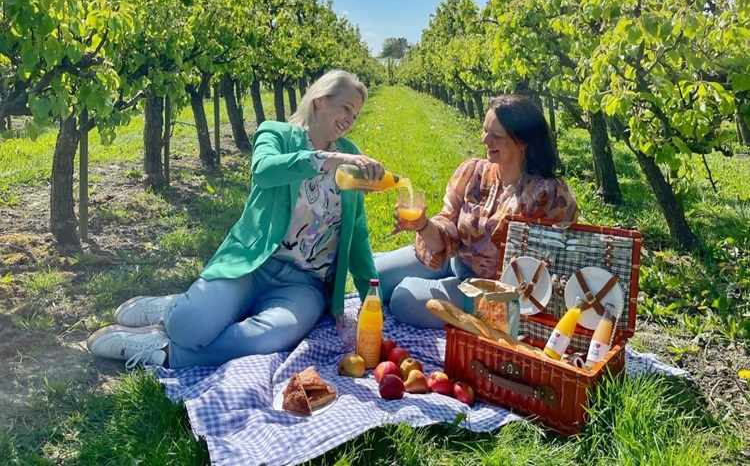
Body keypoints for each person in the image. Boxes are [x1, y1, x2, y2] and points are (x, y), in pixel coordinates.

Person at [87, 69, 384, 368]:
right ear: (320, 99)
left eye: (356, 115)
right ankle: (170, 311)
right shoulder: (277, 134)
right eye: (346, 108)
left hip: (306, 285)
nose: (350, 120)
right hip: (254, 262)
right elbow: (264, 170)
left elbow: (356, 235)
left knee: (270, 337)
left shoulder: (351, 155)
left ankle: (165, 352)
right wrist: (326, 160)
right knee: (186, 326)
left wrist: (375, 301)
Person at [376, 94, 578, 329]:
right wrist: (422, 225)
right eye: (485, 130)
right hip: (452, 259)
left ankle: (456, 305)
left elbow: (552, 263)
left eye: (496, 136)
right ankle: (389, 266)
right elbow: (446, 229)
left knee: (403, 299)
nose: (485, 140)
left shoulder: (547, 195)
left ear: (523, 142)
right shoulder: (474, 172)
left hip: (487, 290)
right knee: (374, 277)